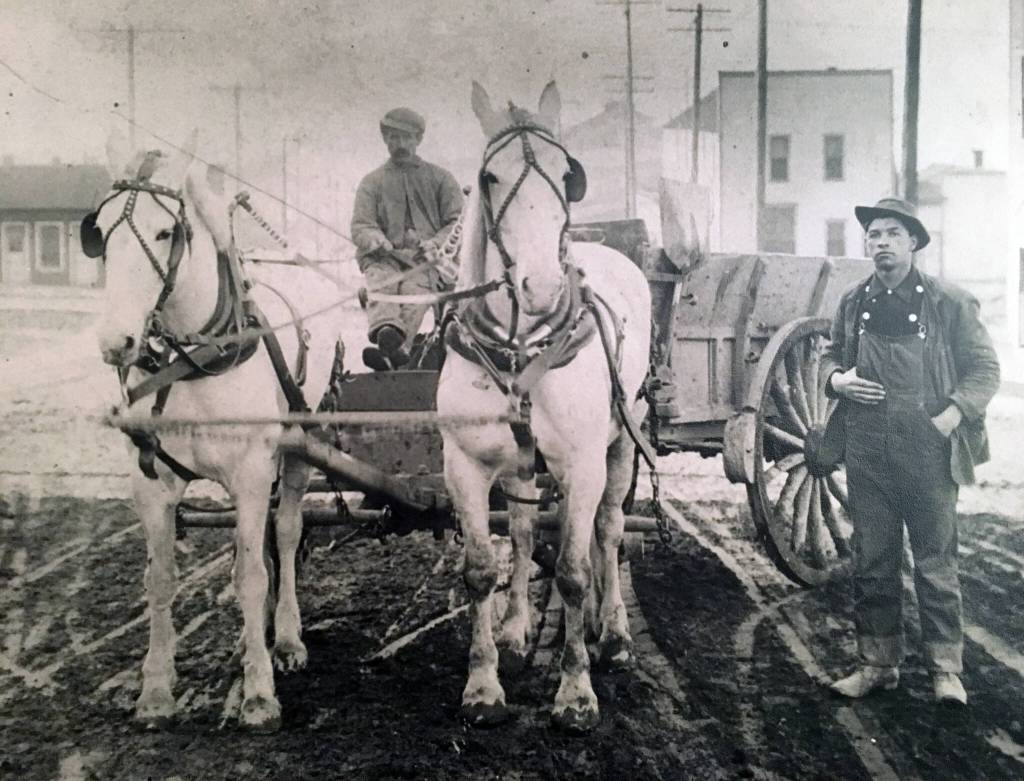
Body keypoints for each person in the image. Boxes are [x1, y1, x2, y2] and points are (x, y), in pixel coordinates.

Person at [822, 197, 1000, 705]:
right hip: (868, 450)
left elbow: (985, 370)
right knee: (872, 560)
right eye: (873, 234)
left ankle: (946, 671)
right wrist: (839, 380)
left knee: (935, 565)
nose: (880, 242)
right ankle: (878, 664)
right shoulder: (853, 302)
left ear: (914, 243)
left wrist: (951, 415)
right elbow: (831, 354)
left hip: (928, 452)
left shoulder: (950, 303)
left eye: (892, 234)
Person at [351, 107, 464, 370]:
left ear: (418, 139)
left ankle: (395, 349)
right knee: (381, 284)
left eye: (405, 138)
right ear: (385, 140)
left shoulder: (441, 179)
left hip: (426, 262)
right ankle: (387, 334)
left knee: (415, 290)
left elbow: (457, 222)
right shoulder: (371, 182)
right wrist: (375, 239)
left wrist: (436, 244)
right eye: (392, 137)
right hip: (384, 259)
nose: (399, 144)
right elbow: (361, 225)